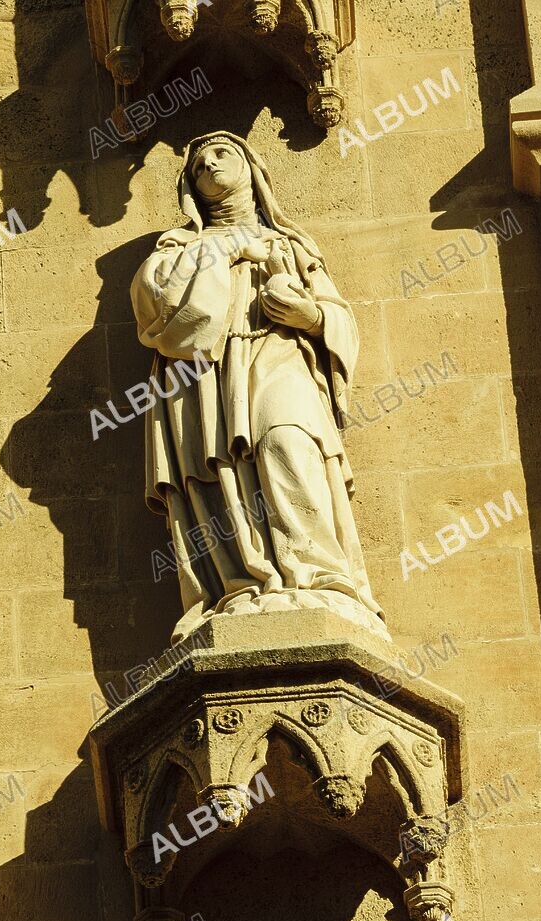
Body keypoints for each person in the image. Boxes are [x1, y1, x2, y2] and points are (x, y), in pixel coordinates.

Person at [130, 131, 384, 642]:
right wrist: (225, 248)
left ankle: (319, 577)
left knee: (287, 438)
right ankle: (238, 585)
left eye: (221, 154)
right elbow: (154, 301)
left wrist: (310, 317)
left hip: (277, 352)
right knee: (216, 468)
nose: (208, 164)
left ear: (251, 167)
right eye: (197, 164)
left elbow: (339, 318)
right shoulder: (180, 246)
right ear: (191, 191)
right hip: (204, 376)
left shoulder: (291, 245)